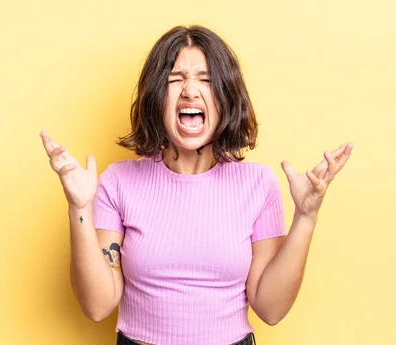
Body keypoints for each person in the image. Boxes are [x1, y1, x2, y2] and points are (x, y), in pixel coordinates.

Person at [39, 25, 353, 345]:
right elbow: (97, 305)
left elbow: (270, 309)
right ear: (156, 98)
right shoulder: (118, 182)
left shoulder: (258, 184)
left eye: (205, 79)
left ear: (225, 97)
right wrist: (79, 208)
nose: (190, 90)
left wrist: (306, 217)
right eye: (176, 79)